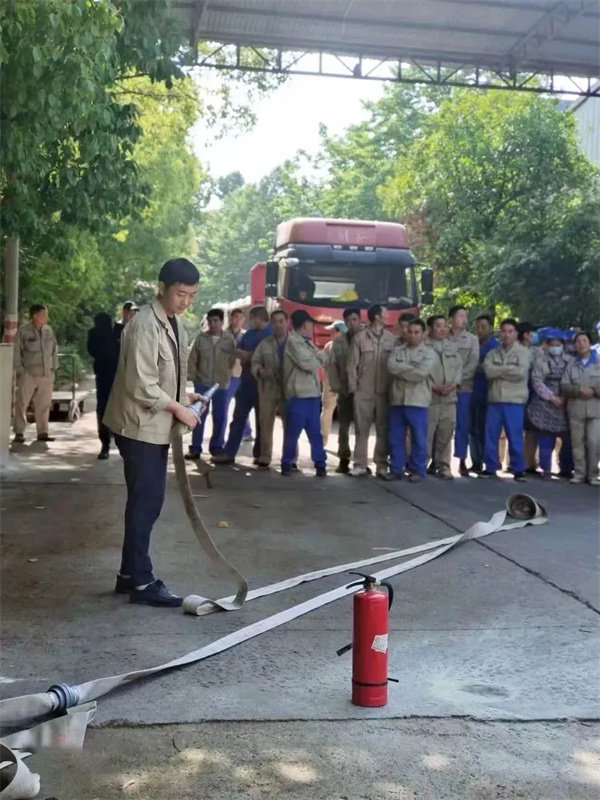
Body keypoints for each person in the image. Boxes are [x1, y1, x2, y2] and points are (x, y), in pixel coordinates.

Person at [103, 258, 203, 607]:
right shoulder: (146, 325)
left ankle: (129, 575)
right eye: (181, 294)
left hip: (154, 426)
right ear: (162, 288)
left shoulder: (174, 323)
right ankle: (142, 583)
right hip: (139, 427)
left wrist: (184, 395)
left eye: (192, 296)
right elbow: (140, 384)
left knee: (144, 502)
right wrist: (178, 408)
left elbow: (167, 374)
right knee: (146, 503)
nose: (186, 302)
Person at [212, 306, 272, 465]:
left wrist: (250, 356)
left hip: (264, 385)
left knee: (263, 422)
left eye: (251, 318)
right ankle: (229, 452)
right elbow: (238, 349)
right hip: (246, 382)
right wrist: (244, 355)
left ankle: (261, 454)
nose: (250, 322)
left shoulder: (271, 334)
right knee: (238, 418)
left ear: (258, 318)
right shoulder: (251, 334)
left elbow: (269, 354)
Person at [347, 304, 396, 478]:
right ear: (377, 317)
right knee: (362, 428)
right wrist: (354, 389)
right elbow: (351, 365)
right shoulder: (360, 338)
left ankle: (381, 464)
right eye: (385, 313)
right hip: (363, 391)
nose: (388, 316)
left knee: (383, 429)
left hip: (384, 392)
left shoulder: (391, 339)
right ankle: (360, 464)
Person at [480, 319, 532, 481]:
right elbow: (488, 371)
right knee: (491, 435)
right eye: (504, 331)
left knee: (515, 435)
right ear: (500, 333)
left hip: (514, 401)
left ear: (516, 334)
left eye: (510, 331)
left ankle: (518, 468)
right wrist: (508, 369)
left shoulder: (524, 352)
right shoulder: (493, 352)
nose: (507, 335)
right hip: (495, 399)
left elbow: (520, 373)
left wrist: (498, 371)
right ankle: (490, 467)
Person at [386, 319, 435, 482]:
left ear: (424, 333)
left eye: (417, 332)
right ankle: (396, 469)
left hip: (418, 400)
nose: (413, 335)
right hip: (398, 400)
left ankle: (418, 470)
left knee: (419, 438)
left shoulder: (429, 353)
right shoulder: (398, 350)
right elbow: (391, 366)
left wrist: (402, 370)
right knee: (395, 437)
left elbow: (420, 374)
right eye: (410, 332)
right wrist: (411, 368)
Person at [281, 310, 328, 476]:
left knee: (315, 433)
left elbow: (320, 358)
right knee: (293, 432)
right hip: (298, 395)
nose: (312, 327)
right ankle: (287, 463)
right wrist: (318, 359)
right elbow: (308, 364)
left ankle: (320, 463)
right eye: (310, 323)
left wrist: (318, 358)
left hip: (312, 395)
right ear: (305, 324)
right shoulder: (293, 341)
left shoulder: (306, 342)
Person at [186, 308, 236, 460]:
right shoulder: (201, 339)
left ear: (222, 322)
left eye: (216, 321)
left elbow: (233, 360)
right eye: (210, 321)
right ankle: (195, 448)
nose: (213, 324)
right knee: (198, 415)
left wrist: (227, 376)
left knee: (220, 417)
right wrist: (193, 378)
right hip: (202, 382)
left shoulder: (229, 340)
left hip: (221, 384)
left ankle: (216, 447)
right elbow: (193, 360)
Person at [527, 329, 573, 480]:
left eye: (558, 344)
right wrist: (551, 397)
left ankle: (566, 468)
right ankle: (545, 467)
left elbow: (573, 380)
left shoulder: (570, 361)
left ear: (563, 345)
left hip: (565, 403)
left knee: (567, 440)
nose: (555, 347)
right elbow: (536, 381)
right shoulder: (540, 360)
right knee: (545, 439)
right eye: (552, 344)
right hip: (544, 404)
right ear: (546, 344)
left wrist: (564, 397)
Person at [13, 304, 58, 444]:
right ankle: (19, 432)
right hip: (29, 373)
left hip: (46, 373)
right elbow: (16, 352)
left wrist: (53, 368)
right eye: (44, 315)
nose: (47, 318)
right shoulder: (23, 331)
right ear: (35, 316)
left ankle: (43, 432)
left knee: (44, 404)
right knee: (22, 403)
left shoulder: (48, 331)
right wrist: (20, 370)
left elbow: (54, 349)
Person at [560, 332, 600, 486]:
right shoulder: (571, 364)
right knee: (577, 443)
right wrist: (578, 391)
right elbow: (564, 386)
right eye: (578, 341)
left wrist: (593, 390)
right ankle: (579, 473)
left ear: (590, 343)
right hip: (576, 408)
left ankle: (593, 475)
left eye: (584, 341)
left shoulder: (598, 362)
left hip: (595, 410)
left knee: (594, 442)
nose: (581, 344)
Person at [251, 309, 288, 468]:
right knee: (265, 423)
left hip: (289, 389)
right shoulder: (265, 344)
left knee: (290, 424)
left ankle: (289, 457)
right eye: (275, 322)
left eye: (281, 321)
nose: (278, 325)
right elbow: (255, 362)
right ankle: (265, 456)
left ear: (287, 323)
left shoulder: (296, 342)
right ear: (271, 324)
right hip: (268, 388)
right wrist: (260, 371)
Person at [426, 315, 462, 479]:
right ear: (430, 328)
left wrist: (454, 384)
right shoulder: (423, 346)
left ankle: (443, 466)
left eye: (444, 326)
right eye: (438, 326)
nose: (442, 329)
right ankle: (421, 465)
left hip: (449, 397)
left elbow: (459, 368)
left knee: (446, 433)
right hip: (430, 397)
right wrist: (433, 386)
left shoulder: (452, 346)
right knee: (427, 433)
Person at [327, 307, 362, 474]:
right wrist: (337, 387)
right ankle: (343, 458)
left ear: (360, 320)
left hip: (364, 391)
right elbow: (332, 366)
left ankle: (361, 461)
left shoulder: (367, 339)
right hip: (345, 390)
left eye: (355, 319)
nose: (352, 323)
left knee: (362, 427)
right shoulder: (339, 342)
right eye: (348, 320)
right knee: (343, 427)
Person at [448, 305, 479, 477]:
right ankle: (438, 460)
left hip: (464, 388)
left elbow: (473, 364)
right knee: (442, 425)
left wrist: (456, 382)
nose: (464, 320)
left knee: (462, 425)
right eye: (460, 316)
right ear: (451, 318)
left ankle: (461, 460)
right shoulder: (443, 338)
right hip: (443, 389)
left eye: (466, 316)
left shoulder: (472, 339)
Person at [468, 314, 500, 474]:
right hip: (472, 392)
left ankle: (489, 463)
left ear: (491, 328)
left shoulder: (495, 346)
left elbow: (489, 368)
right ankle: (475, 461)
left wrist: (478, 367)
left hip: (488, 394)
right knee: (471, 429)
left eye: (483, 327)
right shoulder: (472, 344)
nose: (480, 330)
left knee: (485, 430)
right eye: (478, 327)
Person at [87, 312, 119, 459]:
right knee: (105, 408)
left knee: (107, 408)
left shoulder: (120, 330)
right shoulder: (95, 333)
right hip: (108, 374)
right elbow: (92, 350)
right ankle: (106, 442)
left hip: (117, 374)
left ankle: (109, 442)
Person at [224, 307, 253, 442]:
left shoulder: (246, 335)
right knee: (224, 405)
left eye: (240, 318)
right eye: (234, 317)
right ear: (230, 318)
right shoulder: (223, 334)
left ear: (243, 320)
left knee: (242, 405)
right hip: (226, 375)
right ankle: (222, 434)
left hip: (241, 374)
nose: (237, 321)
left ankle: (247, 432)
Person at [517, 321, 540, 473]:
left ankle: (529, 462)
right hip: (517, 392)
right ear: (525, 334)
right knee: (515, 429)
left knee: (531, 430)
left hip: (534, 392)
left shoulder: (537, 352)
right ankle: (515, 462)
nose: (534, 336)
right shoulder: (515, 350)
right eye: (532, 333)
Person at [321, 321, 347, 447]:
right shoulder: (331, 346)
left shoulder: (331, 346)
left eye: (334, 330)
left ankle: (326, 440)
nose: (331, 333)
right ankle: (325, 438)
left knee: (329, 411)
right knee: (328, 411)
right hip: (332, 384)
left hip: (336, 384)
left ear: (340, 332)